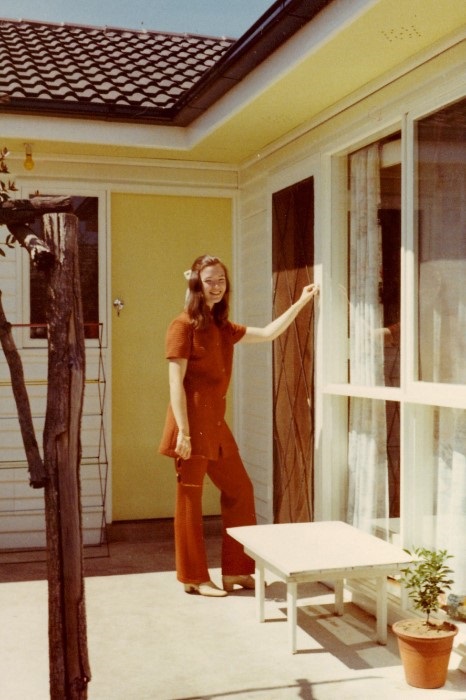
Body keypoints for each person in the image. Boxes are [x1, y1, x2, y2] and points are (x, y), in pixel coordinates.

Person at [159, 254, 319, 597]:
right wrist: (184, 433)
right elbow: (175, 383)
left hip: (215, 424)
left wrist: (302, 301)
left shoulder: (222, 327)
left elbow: (268, 333)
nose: (216, 287)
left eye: (221, 280)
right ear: (196, 285)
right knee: (190, 498)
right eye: (209, 281)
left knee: (240, 491)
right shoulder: (182, 325)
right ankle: (194, 577)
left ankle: (237, 571)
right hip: (191, 424)